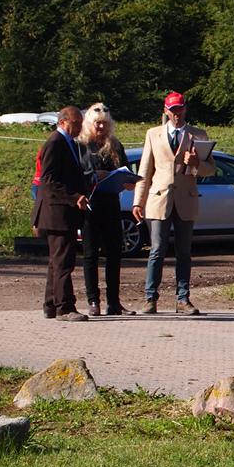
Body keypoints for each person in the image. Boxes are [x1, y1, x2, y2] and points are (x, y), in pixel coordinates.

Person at [131, 91, 215, 315]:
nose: (177, 114)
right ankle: (150, 298)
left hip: (186, 200)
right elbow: (145, 171)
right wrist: (137, 202)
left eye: (180, 109)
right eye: (173, 110)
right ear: (165, 111)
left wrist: (196, 163)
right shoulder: (153, 134)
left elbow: (211, 169)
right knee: (156, 250)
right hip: (159, 199)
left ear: (185, 109)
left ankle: (183, 299)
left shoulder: (198, 134)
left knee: (184, 252)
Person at [31, 106, 90, 322]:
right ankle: (65, 307)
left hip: (63, 211)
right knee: (64, 261)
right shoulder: (55, 143)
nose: (80, 128)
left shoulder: (69, 143)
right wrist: (74, 197)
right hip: (56, 212)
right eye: (77, 124)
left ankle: (50, 304)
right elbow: (48, 181)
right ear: (64, 122)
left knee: (56, 261)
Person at [79, 102, 136, 317]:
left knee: (114, 254)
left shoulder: (115, 144)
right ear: (89, 124)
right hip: (90, 206)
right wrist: (95, 176)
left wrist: (128, 180)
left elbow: (124, 170)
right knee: (90, 254)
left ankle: (114, 302)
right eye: (97, 124)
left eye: (104, 123)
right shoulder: (81, 145)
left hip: (112, 203)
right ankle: (93, 300)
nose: (101, 128)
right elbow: (78, 174)